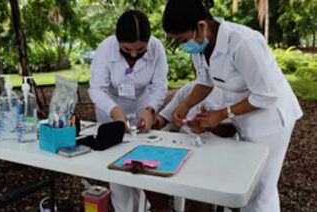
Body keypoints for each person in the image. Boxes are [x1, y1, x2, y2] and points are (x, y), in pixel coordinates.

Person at [162, 0, 303, 211]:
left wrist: (222, 113)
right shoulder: (201, 46)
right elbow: (205, 81)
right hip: (246, 115)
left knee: (260, 190)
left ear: (201, 26)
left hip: (271, 120)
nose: (183, 46)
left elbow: (267, 94)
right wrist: (183, 106)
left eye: (182, 40)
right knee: (245, 185)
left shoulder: (242, 41)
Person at [89, 10, 168, 212]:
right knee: (117, 169)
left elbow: (160, 86)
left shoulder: (157, 48)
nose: (133, 54)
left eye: (140, 49)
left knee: (144, 163)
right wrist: (115, 112)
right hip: (110, 111)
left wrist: (150, 110)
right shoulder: (106, 49)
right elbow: (97, 89)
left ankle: (145, 205)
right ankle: (125, 208)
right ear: (117, 41)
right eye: (127, 49)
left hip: (142, 110)